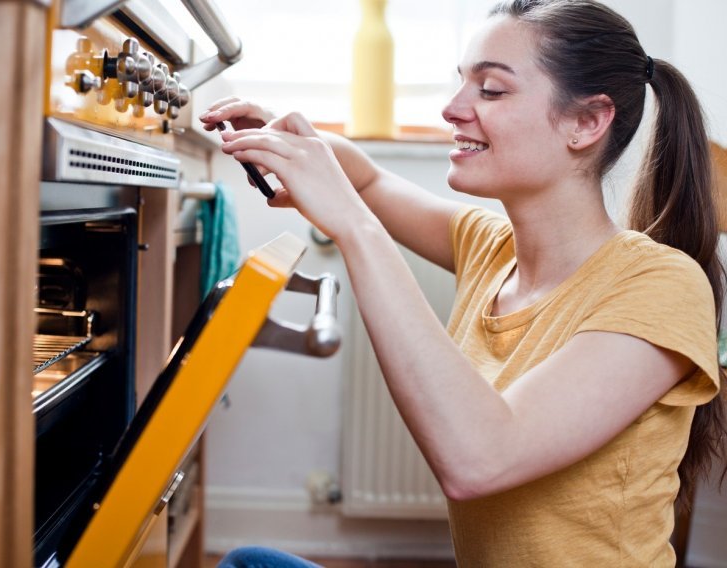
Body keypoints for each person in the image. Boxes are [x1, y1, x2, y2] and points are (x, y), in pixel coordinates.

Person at [200, 0, 727, 565]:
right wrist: (291, 140)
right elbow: (371, 179)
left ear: (586, 122)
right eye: (460, 85)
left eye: (491, 90)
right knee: (249, 560)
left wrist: (354, 226)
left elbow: (480, 459)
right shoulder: (492, 247)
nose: (452, 110)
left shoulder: (661, 286)